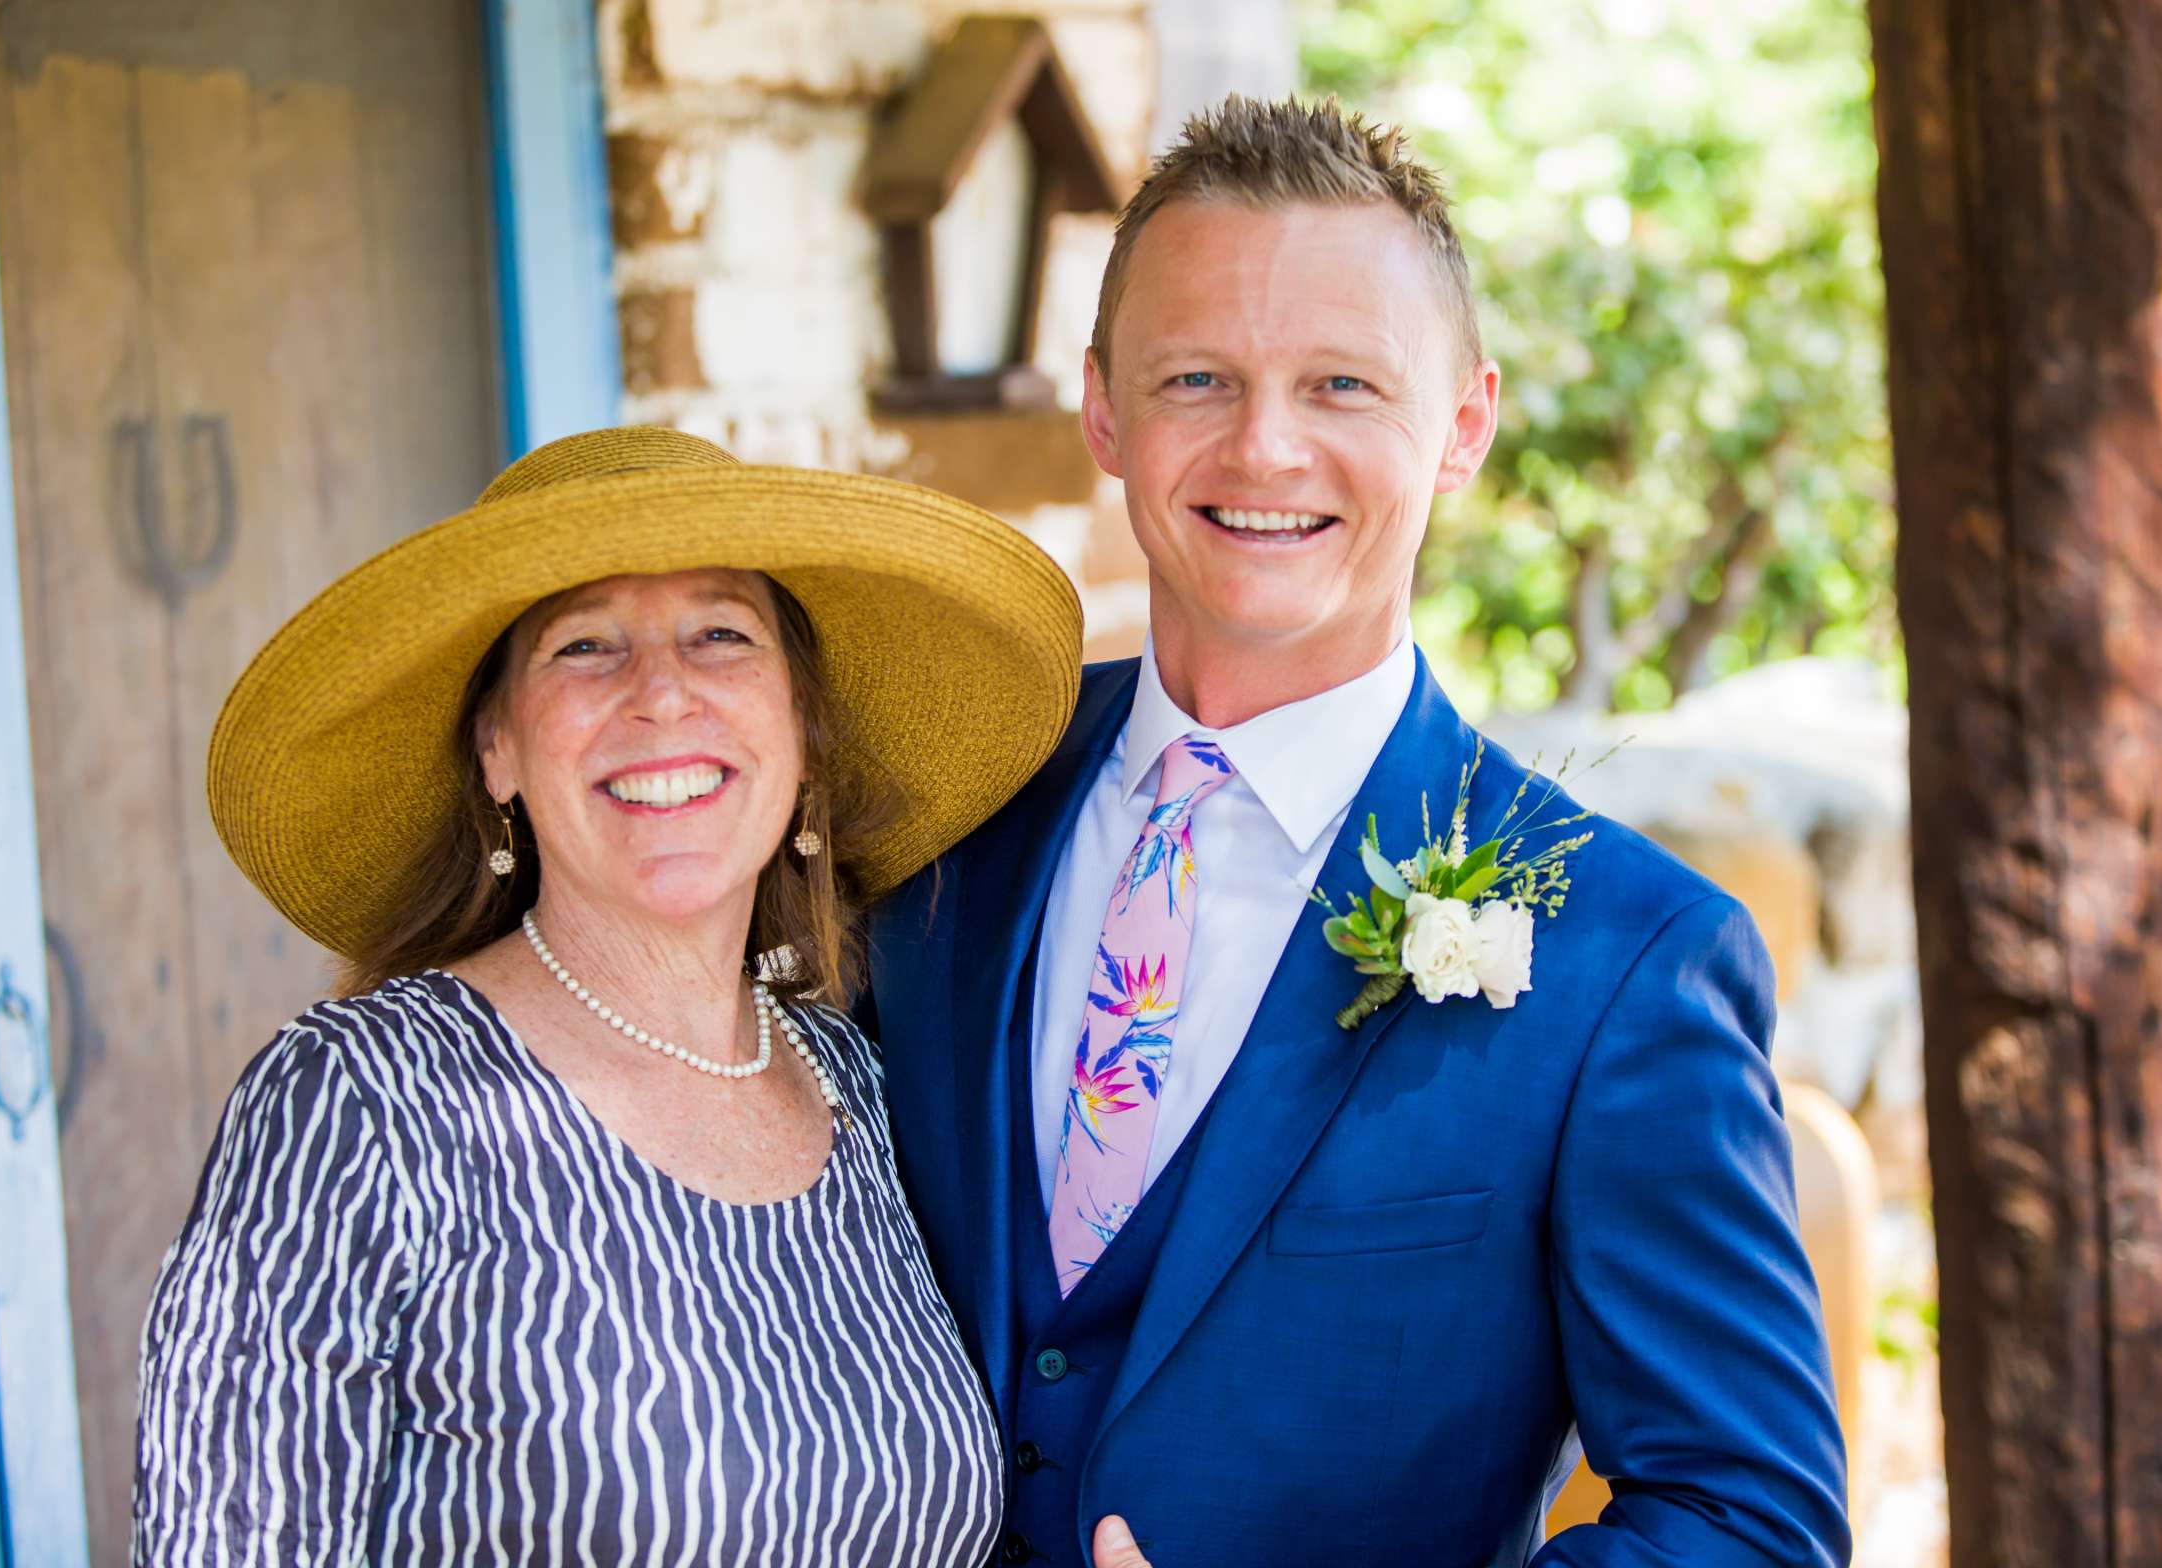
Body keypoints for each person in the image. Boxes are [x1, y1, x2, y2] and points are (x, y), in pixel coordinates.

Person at [866, 97, 1852, 1566]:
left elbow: (1748, 1521)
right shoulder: (940, 813)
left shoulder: (1627, 962)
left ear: (1462, 427)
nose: (1265, 448)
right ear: (1104, 414)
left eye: (1342, 386)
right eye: (1197, 377)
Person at [133, 426, 1117, 1564]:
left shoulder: (856, 1083)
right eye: (586, 645)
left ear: (800, 732)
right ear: (497, 748)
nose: (661, 694)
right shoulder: (359, 1103)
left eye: (719, 633)